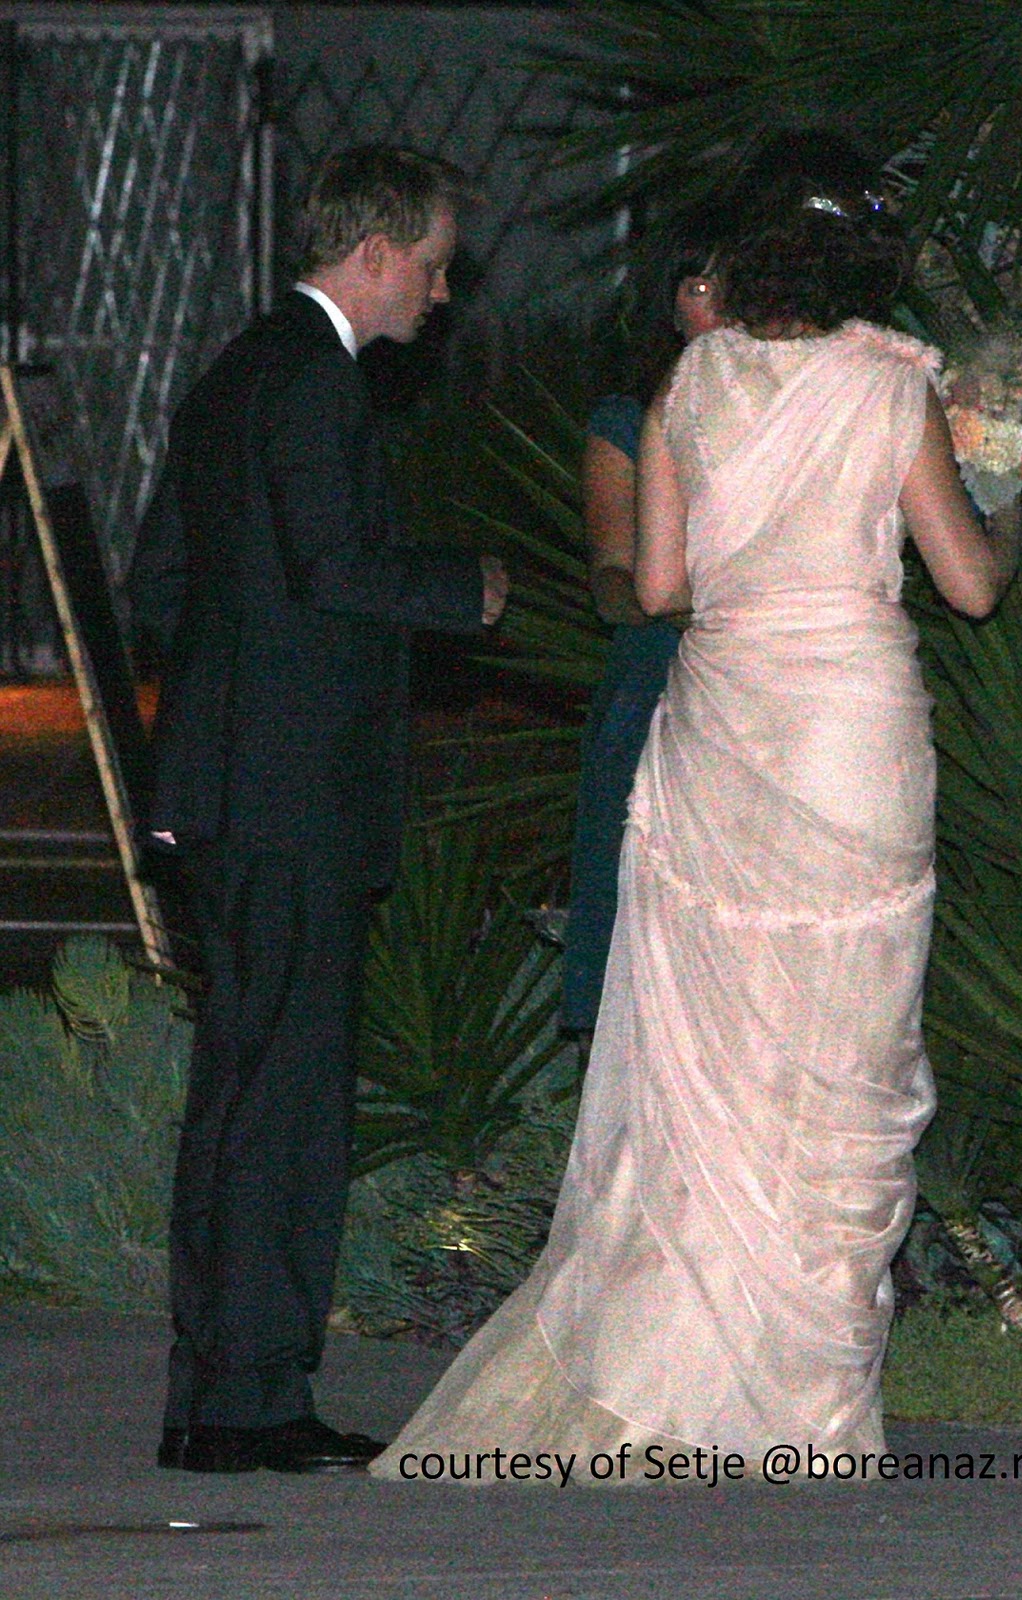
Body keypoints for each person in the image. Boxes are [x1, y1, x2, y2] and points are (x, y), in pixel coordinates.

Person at [370, 173, 1016, 1487]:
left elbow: (658, 585)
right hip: (848, 742)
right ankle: (805, 1394)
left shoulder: (691, 383)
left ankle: (684, 1355)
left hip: (724, 730)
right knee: (839, 1049)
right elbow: (966, 585)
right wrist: (1005, 511)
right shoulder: (890, 382)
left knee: (709, 1056)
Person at [129, 145, 508, 1476]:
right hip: (286, 799)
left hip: (239, 792)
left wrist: (209, 739)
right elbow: (331, 564)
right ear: (373, 254)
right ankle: (251, 1401)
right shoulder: (310, 382)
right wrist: (463, 590)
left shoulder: (239, 369)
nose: (440, 293)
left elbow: (163, 579)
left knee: (243, 1091)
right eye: (431, 263)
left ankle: (221, 1392)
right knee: (283, 1097)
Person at [562, 225, 728, 1054]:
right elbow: (612, 575)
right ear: (669, 303)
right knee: (638, 927)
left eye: (730, 286)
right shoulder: (629, 420)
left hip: (758, 681)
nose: (716, 306)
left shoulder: (781, 412)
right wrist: (688, 604)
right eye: (697, 287)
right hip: (661, 680)